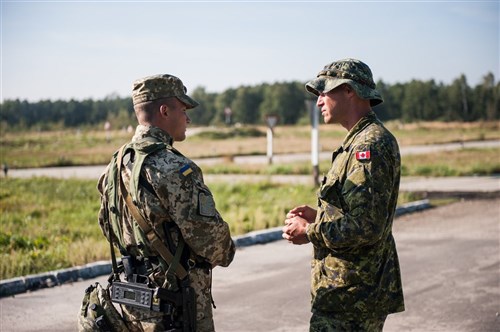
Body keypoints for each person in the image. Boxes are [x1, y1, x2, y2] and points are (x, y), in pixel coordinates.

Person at [97, 74, 235, 331]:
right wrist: (228, 251)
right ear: (164, 111)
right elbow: (213, 242)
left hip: (130, 301)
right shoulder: (174, 168)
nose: (188, 119)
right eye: (183, 110)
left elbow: (107, 227)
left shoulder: (113, 166)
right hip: (174, 305)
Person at [282, 58, 405, 331]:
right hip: (347, 293)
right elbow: (358, 213)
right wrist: (321, 215)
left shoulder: (369, 145)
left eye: (325, 91)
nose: (319, 101)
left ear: (349, 90)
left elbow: (367, 226)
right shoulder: (357, 141)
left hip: (353, 298)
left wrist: (311, 230)